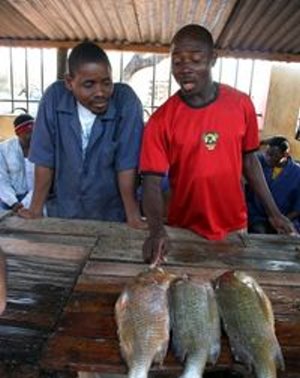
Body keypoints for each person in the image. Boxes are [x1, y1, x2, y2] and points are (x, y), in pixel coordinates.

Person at [139, 24, 294, 264]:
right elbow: (150, 182)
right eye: (177, 61)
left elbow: (250, 161)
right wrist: (156, 230)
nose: (185, 69)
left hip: (234, 227)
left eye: (195, 59)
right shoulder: (161, 120)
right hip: (183, 228)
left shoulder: (241, 104)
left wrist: (274, 213)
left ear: (213, 59)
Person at [18, 42, 145, 229]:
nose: (100, 92)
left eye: (106, 82)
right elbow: (45, 160)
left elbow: (126, 164)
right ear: (69, 82)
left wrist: (133, 217)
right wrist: (35, 210)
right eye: (89, 85)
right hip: (63, 212)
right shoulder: (54, 98)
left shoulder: (126, 101)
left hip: (111, 215)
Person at [246, 136, 300, 233]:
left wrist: (281, 219)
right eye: (267, 154)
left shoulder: (297, 174)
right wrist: (264, 141)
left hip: (285, 218)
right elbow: (247, 152)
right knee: (259, 232)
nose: (268, 158)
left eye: (273, 155)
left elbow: (298, 208)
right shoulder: (260, 163)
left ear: (285, 155)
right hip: (257, 217)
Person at [0, 114, 35, 212]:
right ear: (18, 133)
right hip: (9, 199)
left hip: (35, 198)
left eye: (34, 132)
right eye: (27, 133)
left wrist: (25, 204)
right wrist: (13, 202)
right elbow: (1, 179)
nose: (31, 136)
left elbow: (40, 182)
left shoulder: (42, 149)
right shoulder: (3, 149)